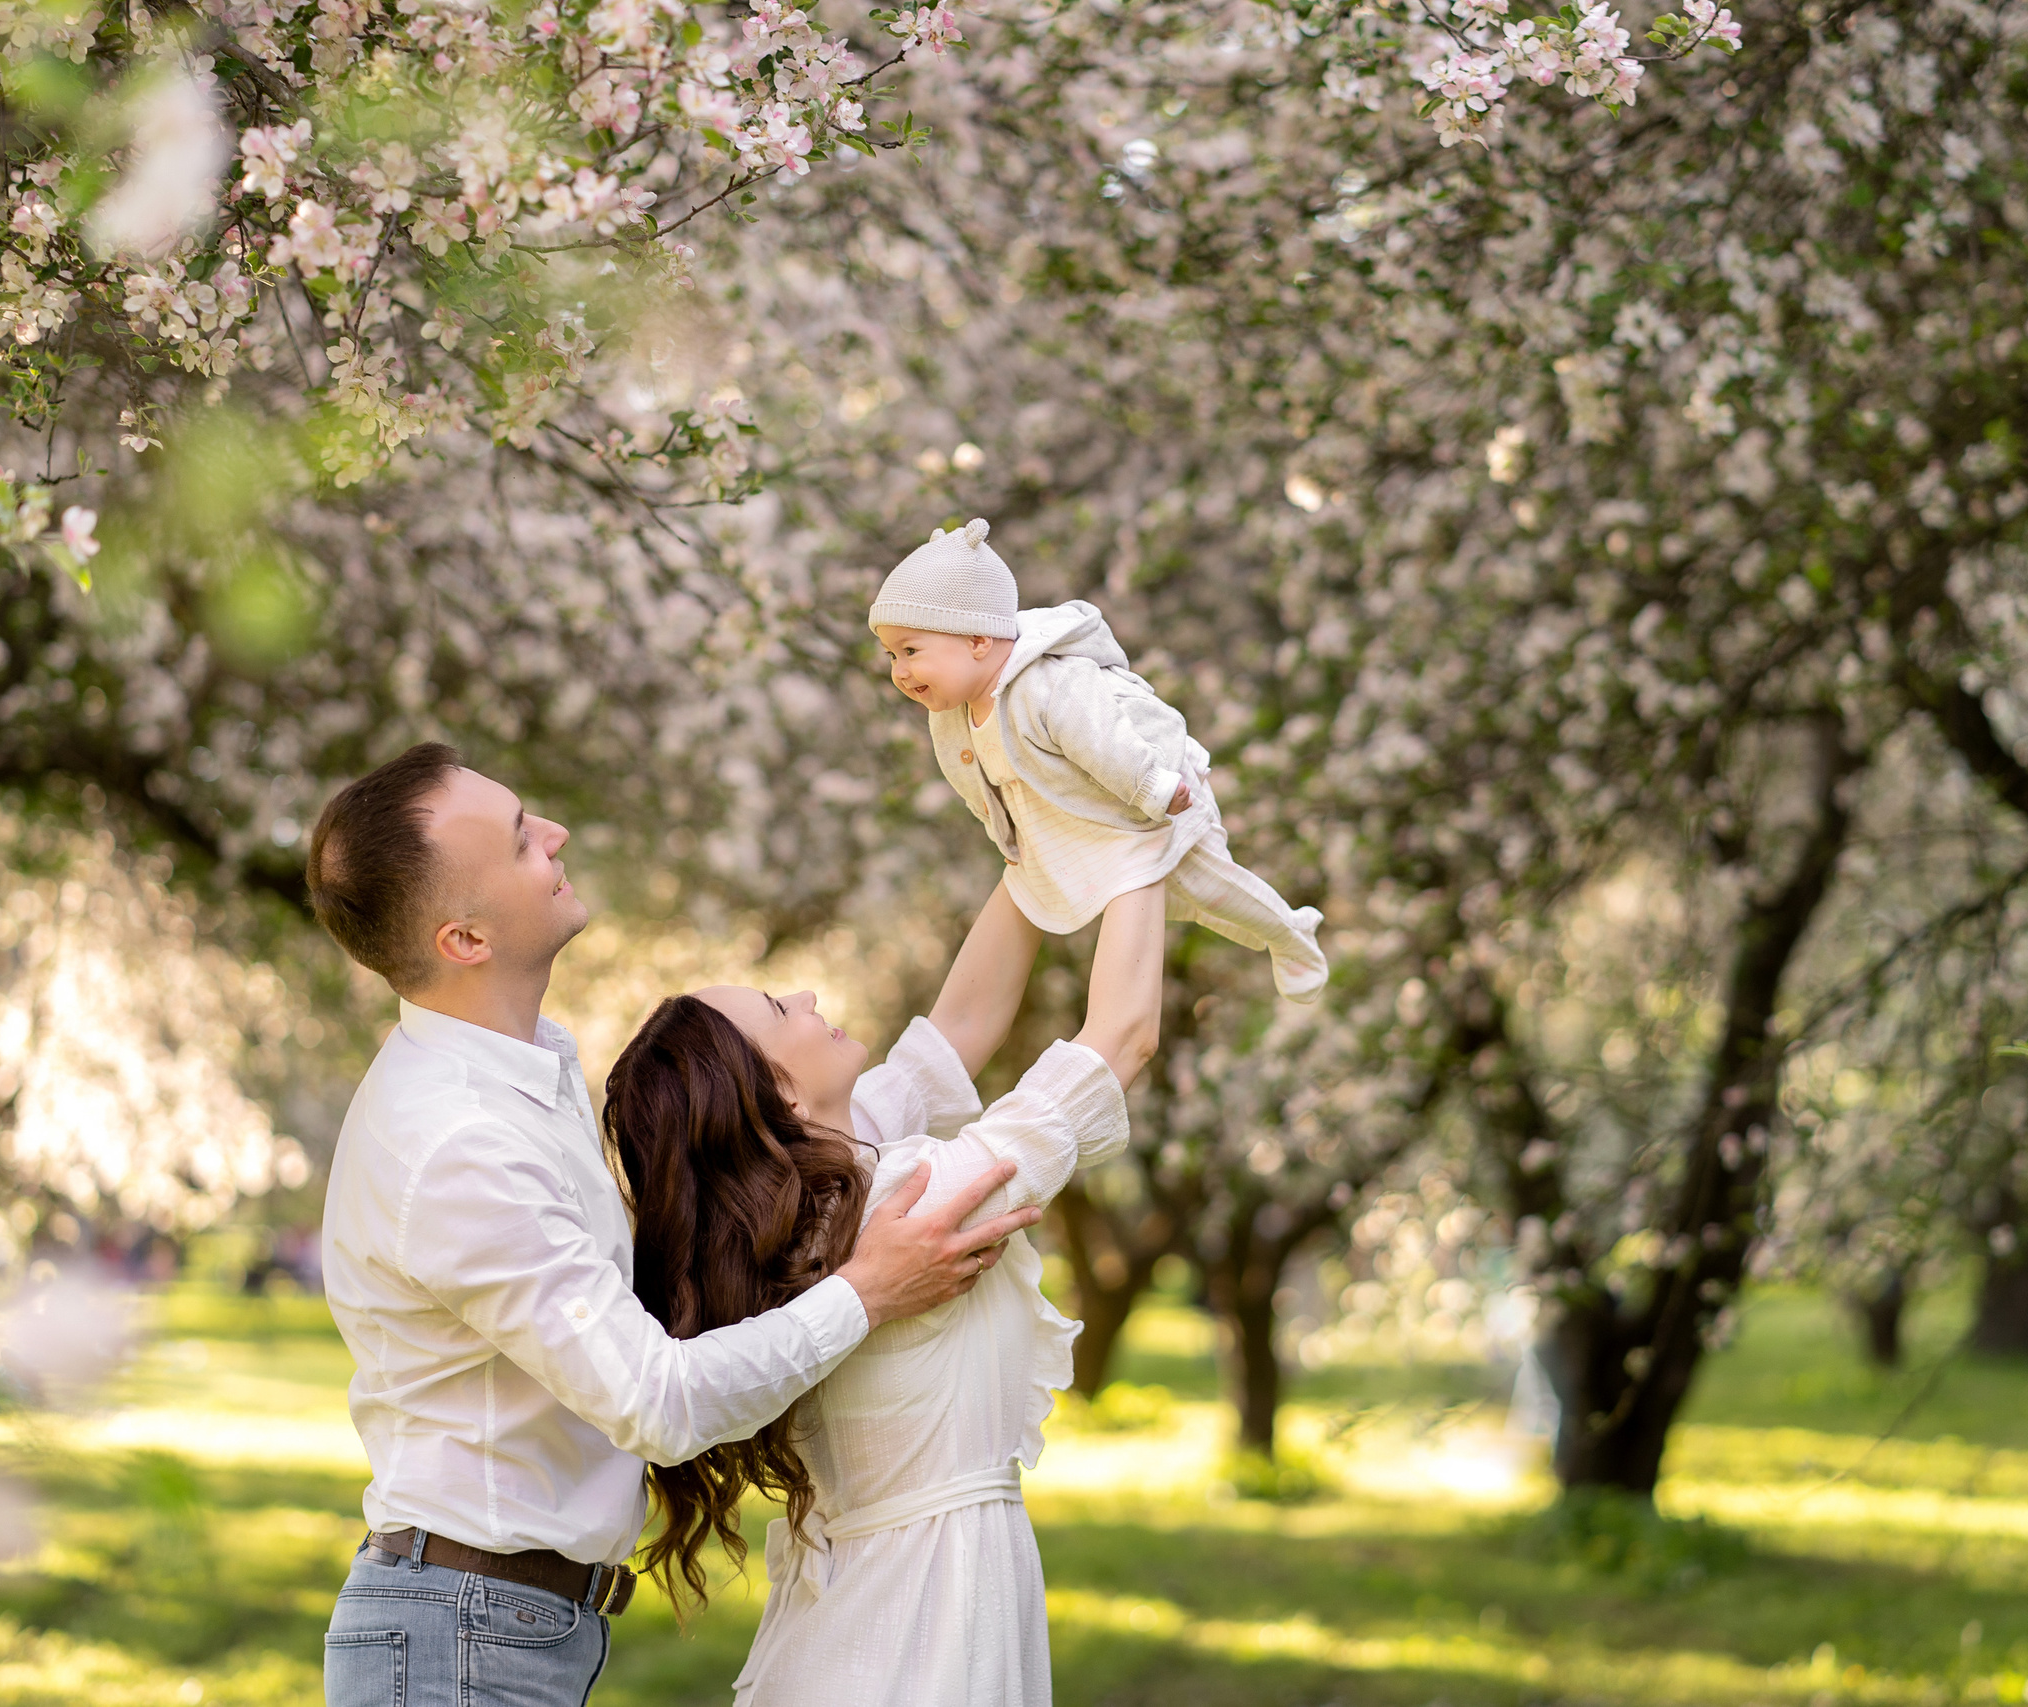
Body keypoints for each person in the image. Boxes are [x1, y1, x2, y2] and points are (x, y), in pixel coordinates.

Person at [307, 743, 1044, 1707]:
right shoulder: (458, 1142)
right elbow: (656, 1401)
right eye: (524, 839)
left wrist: (1042, 842)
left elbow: (922, 1070)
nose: (557, 835)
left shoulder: (524, 1068)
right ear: (465, 939)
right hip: (460, 1640)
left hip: (494, 1627)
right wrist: (866, 1290)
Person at [601, 877, 1165, 1706]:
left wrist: (1035, 844)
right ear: (784, 1094)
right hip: (924, 1613)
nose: (806, 994)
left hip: (866, 1607)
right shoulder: (910, 1198)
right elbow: (1124, 1038)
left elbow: (960, 1026)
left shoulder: (812, 1207)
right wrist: (1136, 845)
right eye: (777, 1007)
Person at [870, 517, 1328, 1007]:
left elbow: (1104, 740)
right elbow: (986, 786)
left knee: (1206, 884)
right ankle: (1265, 928)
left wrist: (1152, 785)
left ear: (978, 640)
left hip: (1148, 791)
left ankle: (1289, 932)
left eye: (910, 650)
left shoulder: (1047, 685)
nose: (900, 671)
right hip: (1093, 816)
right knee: (1182, 902)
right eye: (892, 655)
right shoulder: (953, 717)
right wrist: (1009, 838)